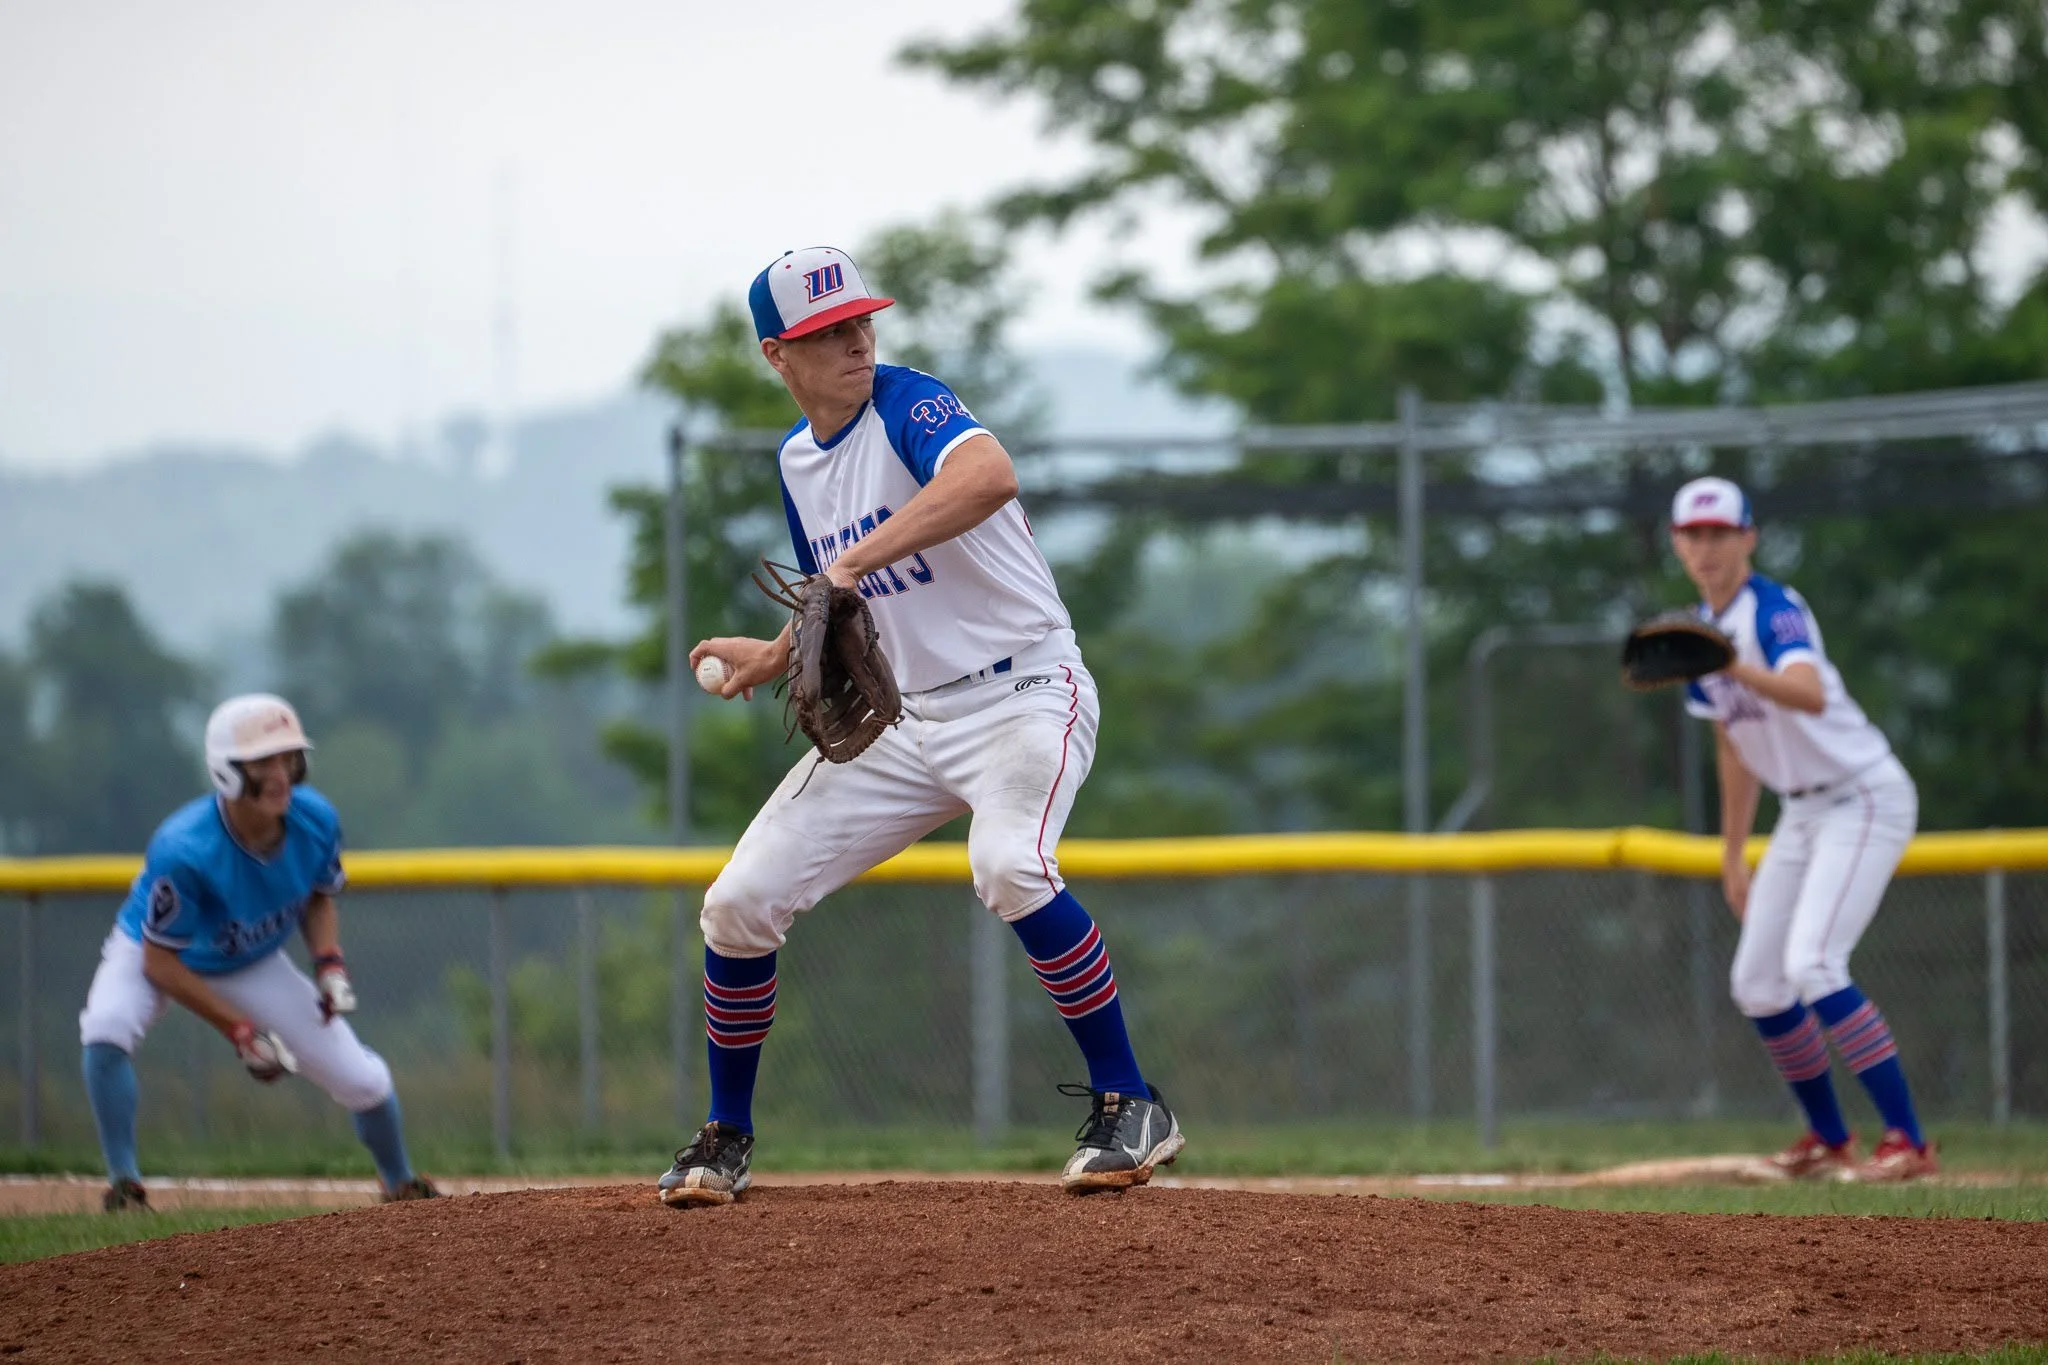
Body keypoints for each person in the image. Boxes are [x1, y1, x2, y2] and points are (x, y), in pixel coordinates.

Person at [657, 246, 1184, 1206]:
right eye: (828, 331)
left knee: (1009, 866)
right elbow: (836, 596)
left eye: (862, 320)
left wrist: (852, 561)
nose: (857, 341)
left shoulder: (910, 403)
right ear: (779, 355)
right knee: (737, 902)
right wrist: (773, 654)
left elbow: (989, 475)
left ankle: (1133, 1102)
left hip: (1027, 689)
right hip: (906, 716)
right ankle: (725, 1136)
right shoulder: (796, 462)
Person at [1670, 476, 1936, 1182]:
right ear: (1677, 544)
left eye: (1720, 533)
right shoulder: (1695, 634)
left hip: (1863, 795)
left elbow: (1809, 693)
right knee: (1758, 982)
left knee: (1814, 964)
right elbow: (1733, 747)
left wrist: (1732, 664)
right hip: (1801, 811)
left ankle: (1909, 1142)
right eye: (1693, 535)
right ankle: (1828, 1139)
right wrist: (1733, 855)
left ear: (1749, 537)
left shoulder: (1774, 610)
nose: (1707, 547)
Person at [78, 693, 438, 1210]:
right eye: (262, 762)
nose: (280, 775)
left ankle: (401, 1184)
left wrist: (328, 962)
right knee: (106, 1027)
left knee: (364, 1080)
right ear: (226, 772)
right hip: (157, 948)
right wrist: (241, 1031)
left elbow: (318, 895)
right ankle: (124, 1185)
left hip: (248, 956)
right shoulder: (184, 847)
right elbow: (159, 962)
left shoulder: (316, 819)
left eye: (287, 758)